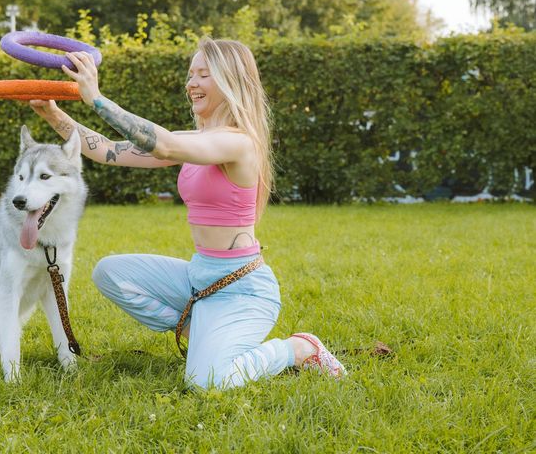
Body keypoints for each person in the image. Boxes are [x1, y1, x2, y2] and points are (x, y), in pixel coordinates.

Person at [29, 37, 345, 389]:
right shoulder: (196, 139)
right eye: (191, 74)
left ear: (231, 81)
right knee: (110, 273)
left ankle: (298, 348)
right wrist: (55, 115)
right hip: (199, 278)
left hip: (241, 288)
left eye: (204, 74)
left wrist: (98, 99)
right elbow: (107, 150)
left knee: (206, 382)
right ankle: (198, 331)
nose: (191, 83)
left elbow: (163, 143)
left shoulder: (238, 142)